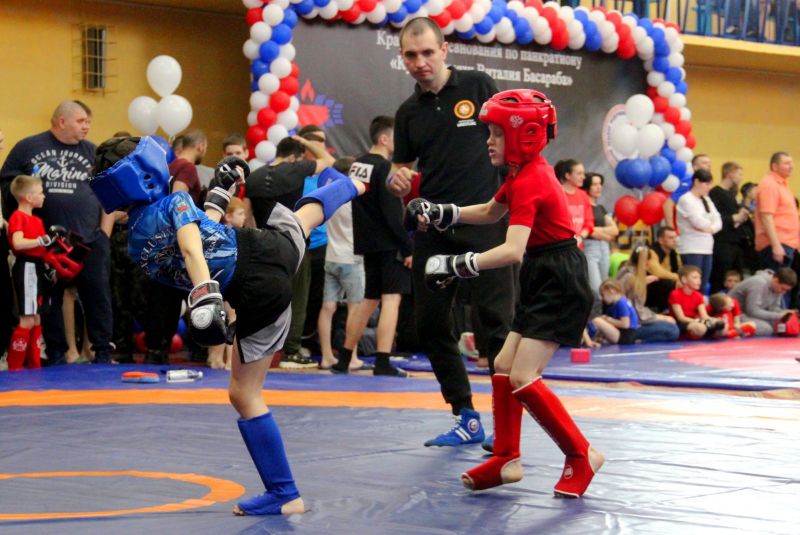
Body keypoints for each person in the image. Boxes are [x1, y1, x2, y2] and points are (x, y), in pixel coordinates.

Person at [90, 135, 365, 515]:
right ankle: (353, 185)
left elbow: (193, 247)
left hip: (255, 283)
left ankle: (285, 493)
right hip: (266, 251)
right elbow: (199, 237)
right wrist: (220, 193)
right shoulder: (174, 202)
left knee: (244, 394)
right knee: (303, 218)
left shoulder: (138, 243)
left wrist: (204, 294)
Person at [410, 89, 603, 496]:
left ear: (523, 135)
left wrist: (457, 265)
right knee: (502, 363)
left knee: (522, 375)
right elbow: (490, 211)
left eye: (497, 133)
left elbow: (513, 250)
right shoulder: (520, 173)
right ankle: (506, 458)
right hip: (543, 270)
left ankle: (581, 454)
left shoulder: (532, 178)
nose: (489, 141)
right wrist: (444, 212)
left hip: (559, 277)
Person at [388, 17, 515, 446]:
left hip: (487, 221)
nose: (420, 62)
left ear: (444, 50)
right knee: (430, 324)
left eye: (428, 52)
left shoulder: (478, 86)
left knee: (496, 325)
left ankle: (507, 426)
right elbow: (401, 170)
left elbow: (511, 141)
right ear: (402, 58)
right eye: (411, 55)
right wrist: (397, 181)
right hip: (435, 229)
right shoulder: (408, 113)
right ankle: (466, 416)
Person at [0, 100, 115, 364]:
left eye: (88, 122)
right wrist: (19, 223)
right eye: (81, 121)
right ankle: (55, 351)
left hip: (89, 238)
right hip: (46, 240)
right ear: (62, 121)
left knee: (98, 294)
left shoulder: (93, 151)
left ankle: (102, 350)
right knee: (49, 299)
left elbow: (111, 193)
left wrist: (105, 234)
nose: (86, 126)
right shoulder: (28, 147)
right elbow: (8, 184)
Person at [243, 133, 335, 368]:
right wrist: (306, 142)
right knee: (297, 298)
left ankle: (259, 350)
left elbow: (246, 216)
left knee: (266, 298)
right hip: (294, 242)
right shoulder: (297, 168)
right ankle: (291, 351)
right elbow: (329, 161)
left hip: (262, 244)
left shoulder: (254, 176)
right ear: (294, 157)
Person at [334, 116, 411, 377]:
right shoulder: (385, 168)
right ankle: (383, 360)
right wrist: (408, 247)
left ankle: (344, 358)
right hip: (388, 242)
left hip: (367, 240)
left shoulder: (356, 165)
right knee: (391, 299)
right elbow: (392, 213)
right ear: (384, 139)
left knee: (368, 300)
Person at [317, 157, 368, 372]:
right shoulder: (354, 199)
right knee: (355, 308)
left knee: (328, 307)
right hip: (352, 259)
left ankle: (326, 356)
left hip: (332, 256)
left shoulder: (331, 199)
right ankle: (352, 356)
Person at [5, 175, 51, 370]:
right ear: (29, 197)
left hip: (37, 267)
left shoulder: (37, 220)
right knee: (28, 318)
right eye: (40, 193)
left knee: (37, 317)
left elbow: (41, 249)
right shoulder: (18, 217)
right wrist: (40, 241)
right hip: (26, 267)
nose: (44, 196)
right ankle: (14, 365)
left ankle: (34, 364)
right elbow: (17, 243)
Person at [207, 196, 247, 370]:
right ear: (228, 216)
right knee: (231, 318)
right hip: (228, 280)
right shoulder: (233, 235)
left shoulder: (218, 232)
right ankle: (229, 360)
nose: (244, 217)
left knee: (221, 317)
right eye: (240, 213)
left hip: (220, 279)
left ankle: (216, 357)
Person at [616, 247, 680, 342]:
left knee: (670, 324)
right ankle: (635, 338)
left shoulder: (626, 271)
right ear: (646, 262)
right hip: (631, 324)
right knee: (672, 329)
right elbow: (638, 312)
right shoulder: (631, 278)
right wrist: (660, 317)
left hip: (630, 320)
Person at [676, 169, 722, 293]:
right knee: (691, 285)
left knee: (702, 285)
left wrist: (710, 228)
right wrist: (709, 225)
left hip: (707, 247)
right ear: (696, 182)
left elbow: (718, 221)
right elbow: (698, 222)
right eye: (706, 184)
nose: (709, 187)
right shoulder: (686, 199)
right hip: (692, 248)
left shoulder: (707, 200)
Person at [708, 162, 751, 293]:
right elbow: (712, 218)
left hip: (735, 241)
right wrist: (733, 218)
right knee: (720, 276)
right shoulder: (715, 193)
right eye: (739, 174)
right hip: (722, 242)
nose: (741, 177)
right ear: (730, 174)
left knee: (738, 276)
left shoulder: (731, 195)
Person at [754, 152, 798, 271]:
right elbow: (766, 217)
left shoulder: (782, 185)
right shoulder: (770, 185)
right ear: (775, 166)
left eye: (791, 163)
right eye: (787, 163)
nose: (791, 166)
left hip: (786, 243)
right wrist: (776, 245)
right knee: (776, 280)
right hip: (776, 244)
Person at [727, 268, 797, 336]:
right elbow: (752, 311)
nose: (784, 292)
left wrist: (786, 313)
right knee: (765, 329)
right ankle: (730, 329)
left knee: (782, 325)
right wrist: (779, 315)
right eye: (783, 289)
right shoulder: (758, 283)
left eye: (786, 290)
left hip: (748, 314)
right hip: (734, 314)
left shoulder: (777, 287)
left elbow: (774, 308)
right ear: (776, 280)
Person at [581, 172, 618, 297]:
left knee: (605, 285)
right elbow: (585, 229)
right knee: (595, 288)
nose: (599, 187)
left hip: (604, 248)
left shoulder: (600, 208)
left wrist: (596, 230)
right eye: (594, 184)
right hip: (589, 247)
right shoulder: (583, 207)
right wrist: (601, 232)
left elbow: (615, 230)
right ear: (587, 186)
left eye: (600, 184)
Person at [668, 265, 724, 339]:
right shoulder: (675, 294)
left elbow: (704, 316)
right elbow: (681, 318)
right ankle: (695, 334)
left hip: (695, 320)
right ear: (684, 279)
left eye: (699, 278)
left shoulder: (698, 295)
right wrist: (699, 321)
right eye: (695, 277)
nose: (699, 281)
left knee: (721, 326)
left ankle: (706, 333)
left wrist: (714, 320)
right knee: (700, 328)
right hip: (680, 323)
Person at [555, 159, 594, 250]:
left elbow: (589, 222)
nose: (583, 177)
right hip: (559, 247)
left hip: (577, 247)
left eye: (583, 173)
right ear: (568, 175)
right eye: (579, 173)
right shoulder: (556, 194)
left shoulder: (583, 195)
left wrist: (580, 238)